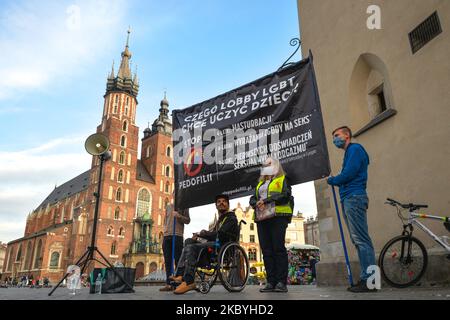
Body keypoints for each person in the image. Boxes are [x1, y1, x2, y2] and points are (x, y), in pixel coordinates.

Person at [327, 126, 377, 293]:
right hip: (349, 198)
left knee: (361, 240)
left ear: (347, 135)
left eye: (337, 135)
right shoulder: (349, 152)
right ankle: (367, 278)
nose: (334, 139)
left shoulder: (355, 149)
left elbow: (349, 173)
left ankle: (370, 281)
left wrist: (333, 180)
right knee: (358, 241)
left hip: (354, 197)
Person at [173, 194, 239, 295]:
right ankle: (180, 275)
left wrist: (204, 233)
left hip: (222, 246)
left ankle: (189, 281)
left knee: (192, 247)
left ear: (228, 205)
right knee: (189, 241)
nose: (221, 203)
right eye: (219, 202)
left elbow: (221, 235)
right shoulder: (219, 220)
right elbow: (213, 234)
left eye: (224, 201)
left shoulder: (231, 218)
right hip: (213, 244)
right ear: (216, 206)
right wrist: (199, 236)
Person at [249, 157, 294, 293]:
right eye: (264, 165)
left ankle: (281, 282)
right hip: (262, 219)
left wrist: (267, 201)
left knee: (278, 248)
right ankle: (271, 282)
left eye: (269, 164)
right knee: (266, 250)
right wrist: (254, 203)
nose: (266, 166)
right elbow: (252, 198)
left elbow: (285, 195)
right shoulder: (259, 184)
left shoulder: (283, 179)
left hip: (278, 217)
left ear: (276, 166)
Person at [159, 205, 190, 292]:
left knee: (178, 261)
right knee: (168, 261)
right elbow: (165, 220)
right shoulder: (168, 207)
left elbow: (188, 220)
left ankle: (178, 284)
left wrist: (179, 216)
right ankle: (169, 284)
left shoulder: (184, 206)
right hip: (167, 235)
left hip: (177, 235)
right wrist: (165, 230)